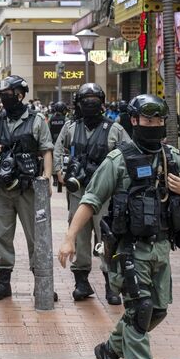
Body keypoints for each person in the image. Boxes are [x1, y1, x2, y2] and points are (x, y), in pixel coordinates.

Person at [58, 94, 180, 359]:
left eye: (159, 121)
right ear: (133, 122)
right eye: (147, 121)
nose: (153, 126)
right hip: (129, 250)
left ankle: (109, 349)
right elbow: (90, 199)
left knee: (156, 311)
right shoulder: (118, 160)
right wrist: (69, 238)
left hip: (160, 247)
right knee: (140, 309)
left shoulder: (172, 158)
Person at [53, 83, 129, 304]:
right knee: (80, 236)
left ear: (102, 103)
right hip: (78, 192)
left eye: (95, 100)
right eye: (86, 101)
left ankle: (111, 284)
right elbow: (58, 150)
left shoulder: (114, 129)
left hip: (106, 194)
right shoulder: (70, 127)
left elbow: (129, 154)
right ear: (78, 104)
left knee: (106, 237)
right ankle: (81, 282)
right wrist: (59, 171)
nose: (90, 104)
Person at [0, 76, 54, 301]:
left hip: (29, 187)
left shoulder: (36, 120)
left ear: (20, 95)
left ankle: (42, 283)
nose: (5, 99)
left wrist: (47, 178)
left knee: (36, 236)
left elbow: (46, 150)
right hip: (2, 189)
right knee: (1, 234)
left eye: (9, 94)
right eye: (2, 95)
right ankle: (4, 283)